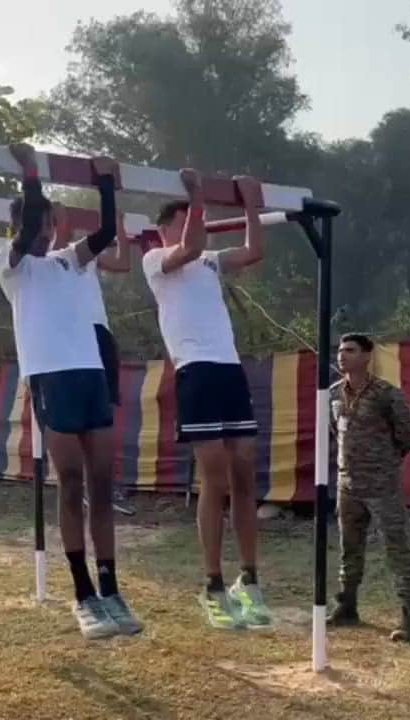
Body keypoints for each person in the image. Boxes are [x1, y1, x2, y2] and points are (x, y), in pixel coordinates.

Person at [0, 143, 143, 640]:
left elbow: (102, 234)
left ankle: (110, 588)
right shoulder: (11, 266)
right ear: (23, 226)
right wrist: (32, 174)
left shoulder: (68, 262)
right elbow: (28, 220)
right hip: (51, 378)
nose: (47, 230)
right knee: (72, 482)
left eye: (51, 223)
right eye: (39, 223)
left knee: (102, 484)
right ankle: (82, 594)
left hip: (88, 374)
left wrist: (104, 183)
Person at [141, 169, 272, 630]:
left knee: (243, 471)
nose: (196, 227)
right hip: (195, 369)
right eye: (187, 220)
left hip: (228, 367)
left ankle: (249, 580)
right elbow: (192, 245)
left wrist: (251, 205)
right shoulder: (157, 259)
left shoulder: (211, 262)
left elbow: (254, 251)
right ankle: (212, 584)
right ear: (166, 228)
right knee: (214, 474)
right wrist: (197, 196)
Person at [327, 333, 410, 643]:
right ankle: (347, 606)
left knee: (396, 549)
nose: (342, 356)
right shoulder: (333, 394)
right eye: (340, 351)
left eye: (350, 351)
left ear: (367, 357)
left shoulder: (385, 394)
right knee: (349, 549)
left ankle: (409, 618)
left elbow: (408, 435)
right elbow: (335, 433)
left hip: (382, 486)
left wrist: (386, 462)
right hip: (348, 484)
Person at [50, 203, 136, 517]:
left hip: (101, 332)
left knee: (105, 409)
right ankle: (86, 486)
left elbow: (124, 263)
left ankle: (101, 485)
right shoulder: (55, 257)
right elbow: (58, 242)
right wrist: (60, 219)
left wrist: (121, 227)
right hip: (77, 335)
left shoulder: (88, 255)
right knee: (77, 418)